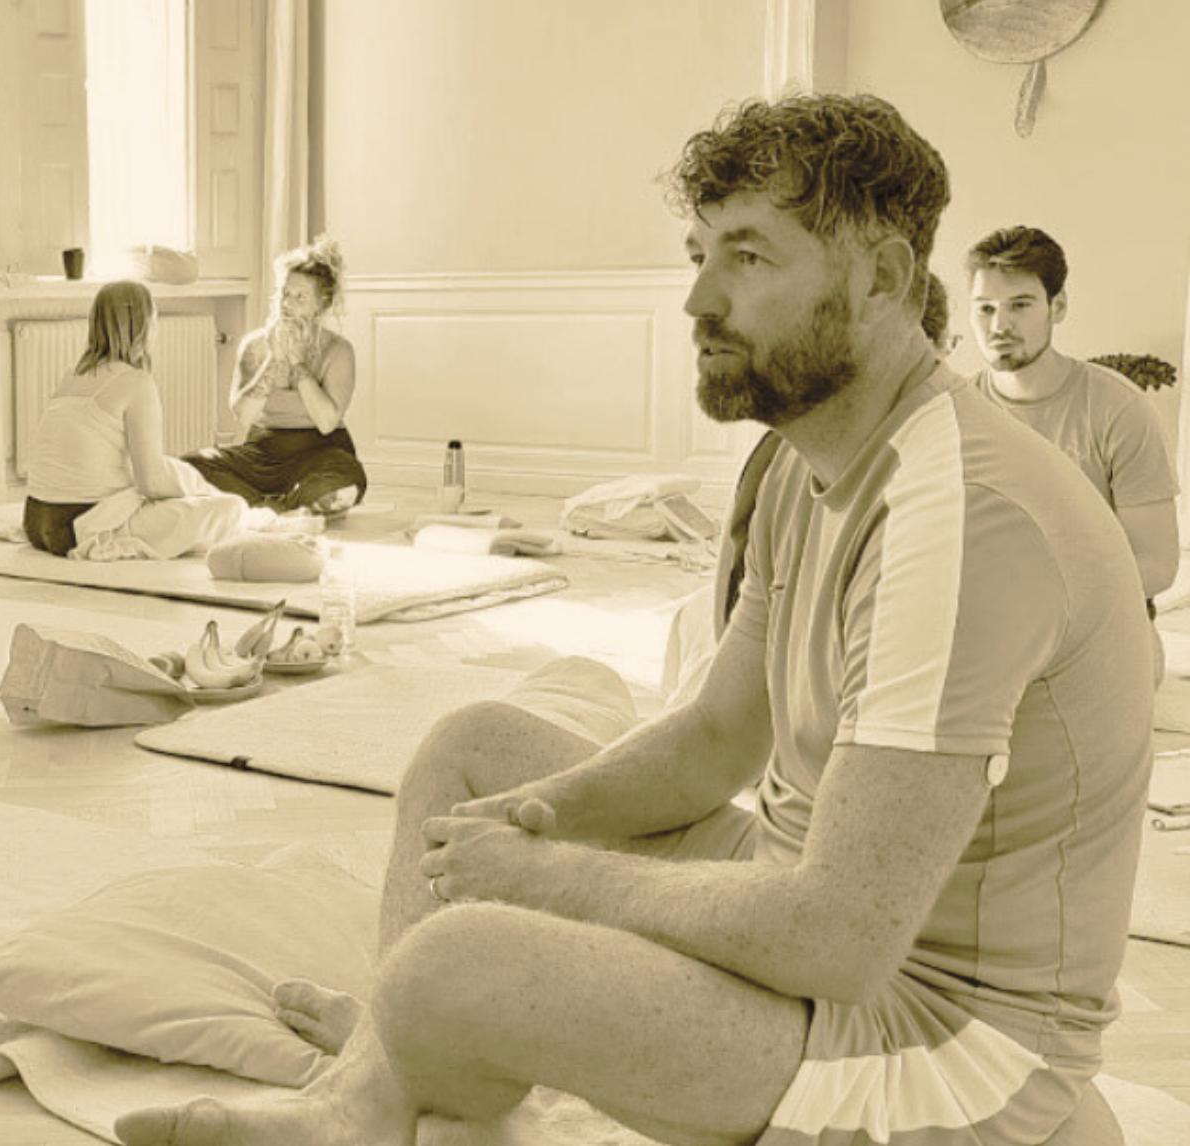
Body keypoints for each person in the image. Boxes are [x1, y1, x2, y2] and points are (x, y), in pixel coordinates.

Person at [117, 93, 1145, 1146]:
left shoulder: (960, 518)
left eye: (748, 257)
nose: (698, 299)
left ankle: (376, 1089)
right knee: (471, 753)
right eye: (699, 254)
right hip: (801, 905)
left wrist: (550, 878)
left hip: (944, 1043)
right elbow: (714, 740)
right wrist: (528, 819)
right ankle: (386, 1067)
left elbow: (841, 938)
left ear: (881, 278)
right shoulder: (805, 464)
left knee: (455, 959)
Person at [966, 226, 1179, 611]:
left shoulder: (1118, 408)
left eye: (1020, 305)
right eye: (986, 308)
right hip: (995, 624)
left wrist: (1041, 599)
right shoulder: (956, 415)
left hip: (1098, 622)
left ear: (1058, 306)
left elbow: (1156, 564)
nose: (999, 327)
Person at [23, 280, 245, 560]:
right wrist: (192, 492)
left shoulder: (72, 375)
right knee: (231, 509)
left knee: (176, 470)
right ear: (143, 326)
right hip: (79, 527)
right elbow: (151, 483)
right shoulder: (136, 382)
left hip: (36, 521)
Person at [182, 236, 368, 516]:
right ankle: (275, 508)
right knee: (191, 465)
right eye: (284, 293)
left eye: (300, 297)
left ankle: (263, 506)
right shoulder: (254, 345)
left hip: (321, 452)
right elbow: (244, 415)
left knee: (345, 483)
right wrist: (273, 359)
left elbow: (327, 422)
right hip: (261, 452)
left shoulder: (338, 350)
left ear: (321, 303)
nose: (288, 304)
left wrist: (295, 361)